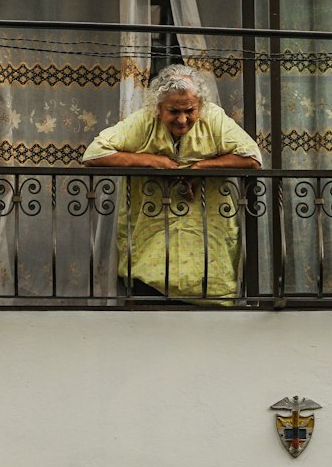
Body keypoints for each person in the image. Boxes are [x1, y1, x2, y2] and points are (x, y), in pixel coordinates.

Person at [82, 66, 262, 302]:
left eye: (190, 110)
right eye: (173, 111)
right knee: (149, 300)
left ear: (201, 106)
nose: (182, 119)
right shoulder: (145, 121)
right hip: (151, 237)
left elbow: (252, 158)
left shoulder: (214, 118)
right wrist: (151, 161)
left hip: (208, 240)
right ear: (158, 108)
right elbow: (93, 155)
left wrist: (200, 169)